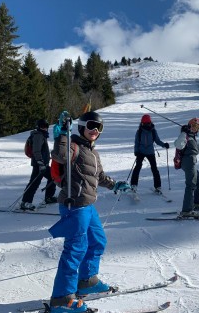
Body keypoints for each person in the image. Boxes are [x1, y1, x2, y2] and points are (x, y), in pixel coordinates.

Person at [48, 110, 131, 313]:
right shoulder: (73, 145)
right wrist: (61, 135)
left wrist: (114, 185)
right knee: (75, 250)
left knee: (97, 241)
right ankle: (62, 300)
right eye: (91, 125)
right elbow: (59, 155)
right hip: (74, 206)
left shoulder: (92, 152)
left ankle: (87, 281)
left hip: (88, 205)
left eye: (99, 127)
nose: (94, 130)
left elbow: (98, 176)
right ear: (81, 127)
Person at [174, 117, 199, 218]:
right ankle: (187, 210)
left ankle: (197, 202)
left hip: (191, 161)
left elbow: (194, 151)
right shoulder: (186, 135)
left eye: (197, 127)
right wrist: (183, 133)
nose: (195, 128)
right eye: (194, 126)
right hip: (188, 162)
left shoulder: (191, 136)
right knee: (191, 185)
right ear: (189, 125)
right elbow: (178, 145)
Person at [21, 119, 57, 210]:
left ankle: (49, 197)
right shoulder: (38, 135)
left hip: (42, 163)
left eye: (46, 126)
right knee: (34, 183)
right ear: (38, 126)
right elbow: (36, 151)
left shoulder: (41, 135)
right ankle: (25, 202)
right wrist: (40, 162)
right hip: (39, 165)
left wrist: (46, 158)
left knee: (53, 177)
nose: (44, 128)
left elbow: (41, 150)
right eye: (42, 126)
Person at [130, 114, 169, 194]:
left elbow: (157, 141)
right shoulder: (139, 132)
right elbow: (136, 143)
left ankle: (158, 186)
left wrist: (164, 145)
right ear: (142, 123)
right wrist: (136, 151)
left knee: (154, 169)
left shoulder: (153, 131)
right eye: (145, 123)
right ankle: (133, 185)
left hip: (150, 152)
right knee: (137, 168)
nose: (147, 125)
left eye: (148, 123)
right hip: (140, 152)